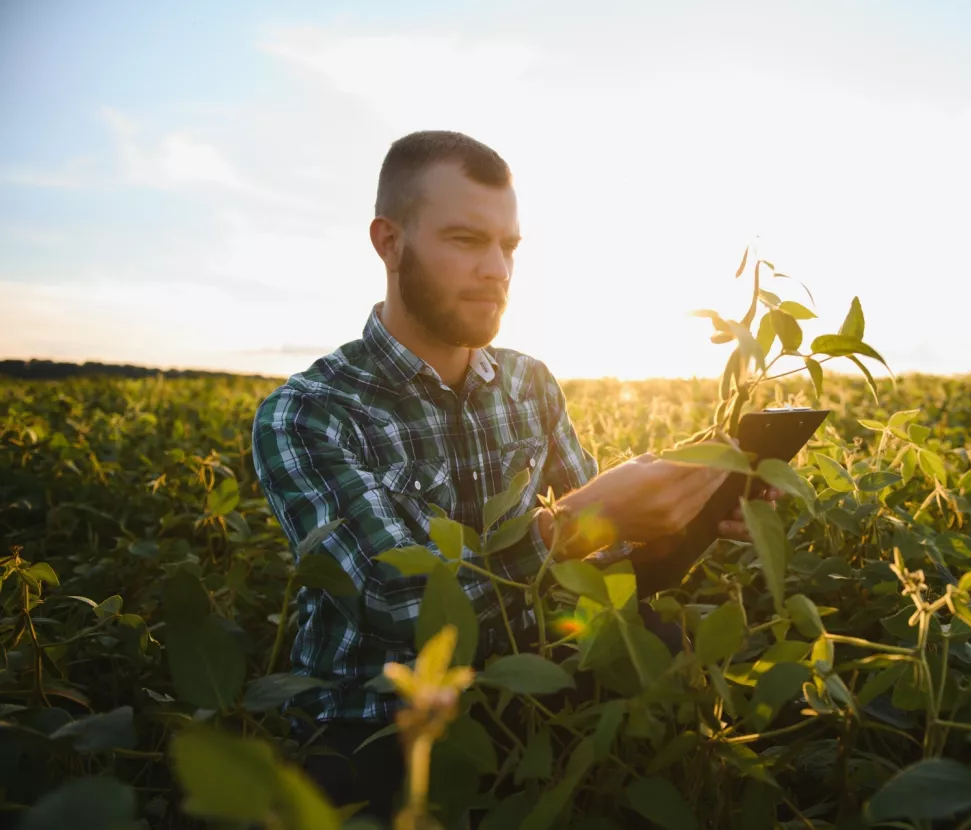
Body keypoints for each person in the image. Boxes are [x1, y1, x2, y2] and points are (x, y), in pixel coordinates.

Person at [250, 130, 779, 820]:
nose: (497, 269)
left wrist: (687, 522)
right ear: (388, 242)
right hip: (380, 712)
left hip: (540, 672)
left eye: (510, 247)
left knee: (679, 677)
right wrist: (573, 528)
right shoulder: (310, 413)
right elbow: (399, 604)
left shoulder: (530, 382)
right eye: (467, 241)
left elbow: (608, 568)